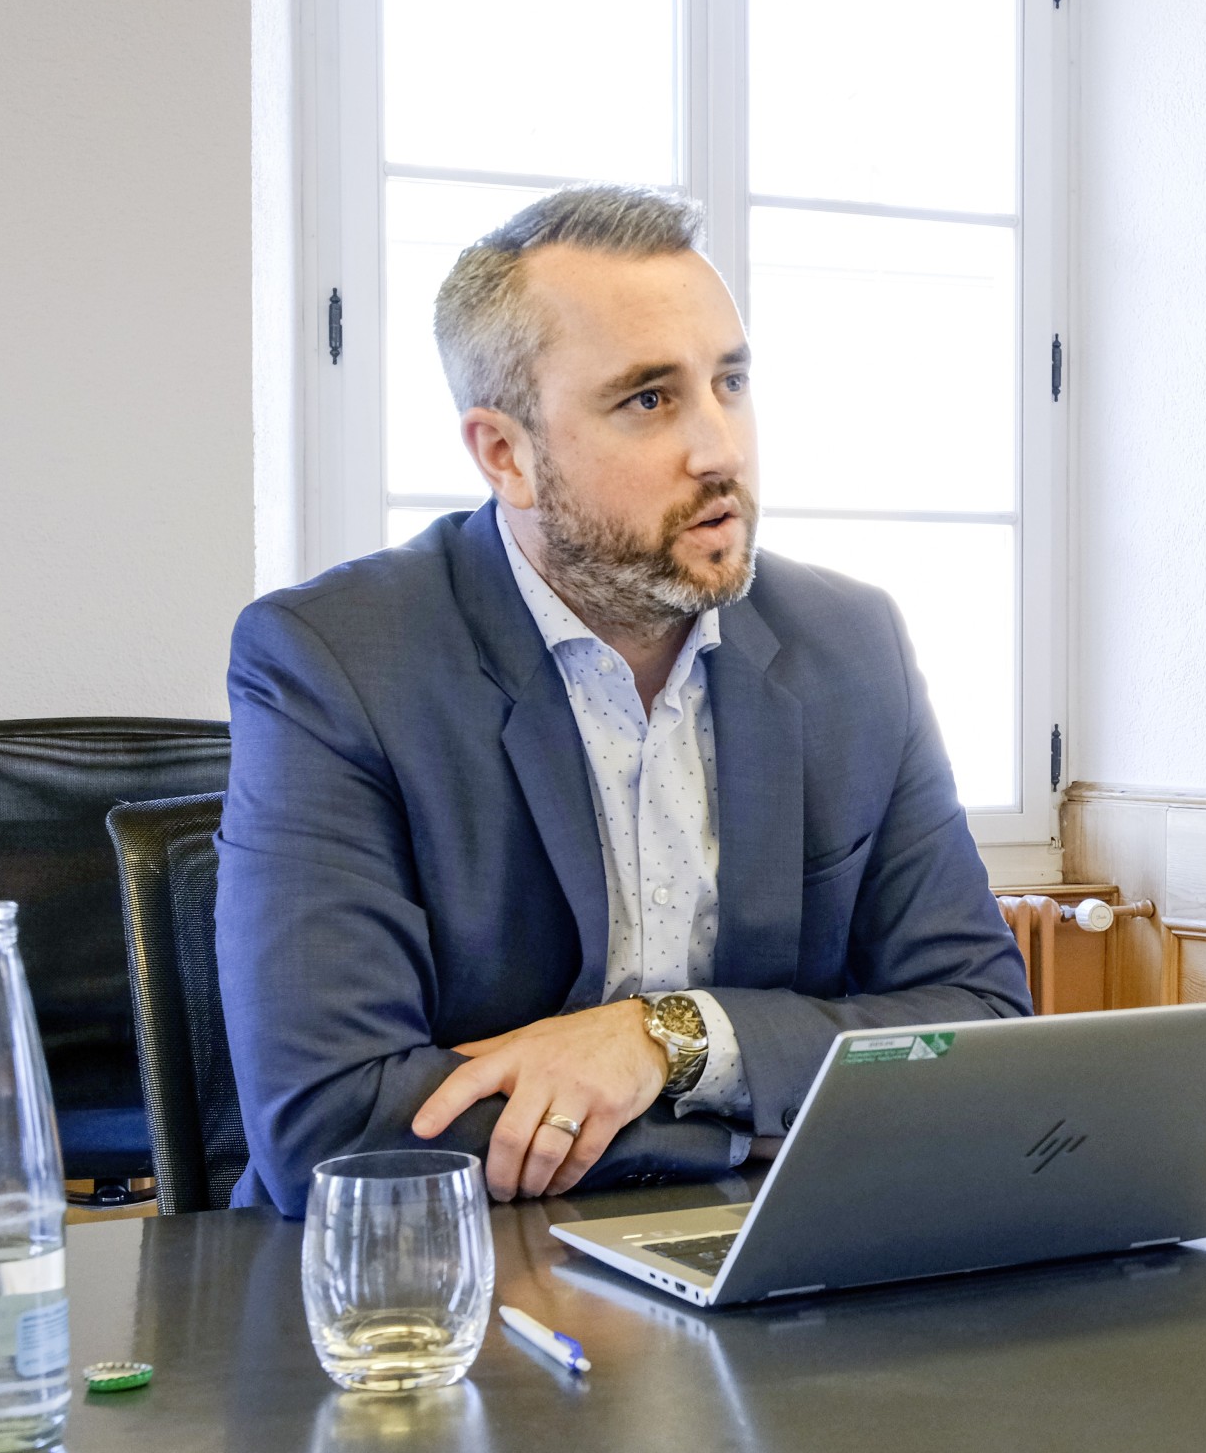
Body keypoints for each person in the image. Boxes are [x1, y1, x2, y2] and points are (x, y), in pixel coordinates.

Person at [217, 186, 1030, 1214]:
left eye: (729, 383)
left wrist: (667, 1044)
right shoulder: (335, 661)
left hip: (769, 1277)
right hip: (429, 1295)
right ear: (503, 453)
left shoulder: (849, 645)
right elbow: (333, 1130)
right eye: (649, 399)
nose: (720, 449)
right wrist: (749, 1122)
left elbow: (980, 1022)